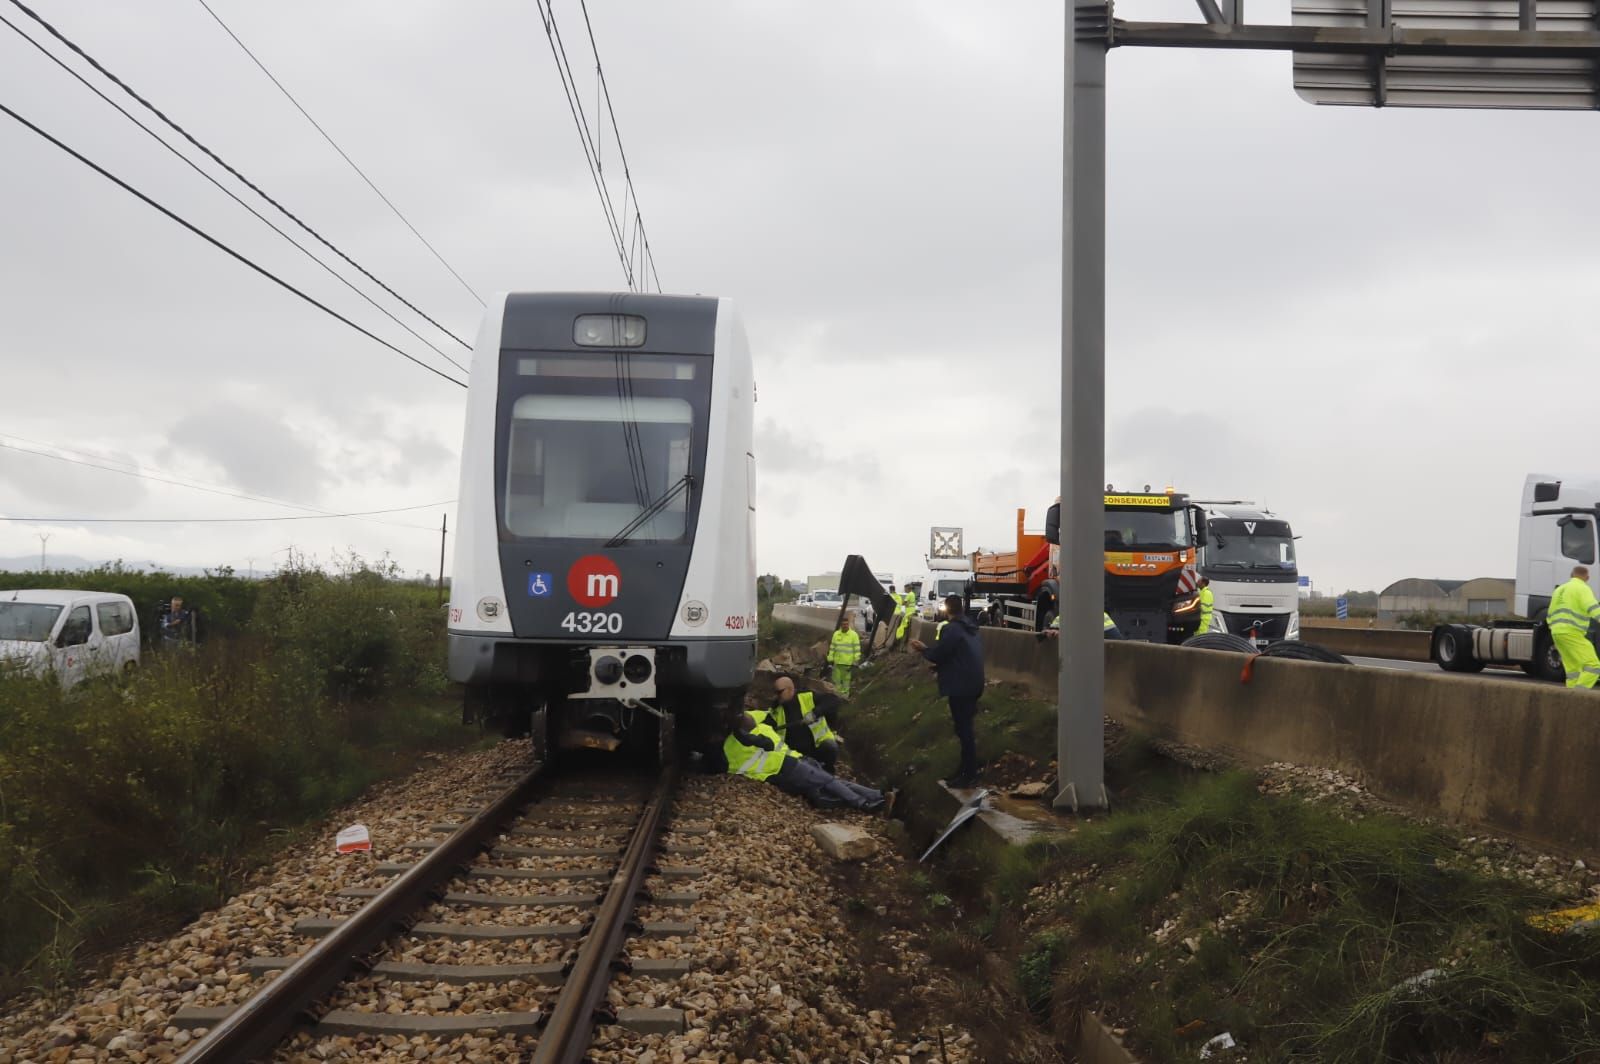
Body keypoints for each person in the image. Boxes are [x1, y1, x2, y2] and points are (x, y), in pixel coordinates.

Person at [723, 707, 884, 810]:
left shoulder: (754, 722)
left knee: (832, 781)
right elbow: (764, 744)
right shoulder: (736, 743)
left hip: (794, 760)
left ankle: (875, 794)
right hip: (784, 768)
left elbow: (760, 715)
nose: (749, 718)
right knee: (828, 783)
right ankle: (863, 803)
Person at [910, 594, 985, 788]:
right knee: (964, 728)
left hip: (961, 687)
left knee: (964, 730)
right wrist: (942, 667)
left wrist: (923, 649)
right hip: (974, 684)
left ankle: (969, 775)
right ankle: (964, 770)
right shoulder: (971, 628)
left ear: (947, 609)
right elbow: (960, 656)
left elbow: (939, 654)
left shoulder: (951, 629)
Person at [771, 674, 842, 772]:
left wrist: (815, 713)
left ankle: (828, 770)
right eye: (775, 692)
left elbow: (833, 700)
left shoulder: (807, 696)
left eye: (779, 692)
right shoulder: (776, 709)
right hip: (794, 753)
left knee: (830, 746)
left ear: (790, 689)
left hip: (817, 746)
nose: (776, 696)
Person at [1548, 566, 1600, 689]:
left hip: (1557, 633)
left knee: (1573, 671)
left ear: (1572, 574)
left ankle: (1569, 699)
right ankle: (1578, 697)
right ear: (1587, 578)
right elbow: (1593, 608)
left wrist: (1554, 628)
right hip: (1572, 632)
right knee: (1593, 665)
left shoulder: (1559, 589)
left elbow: (1550, 613)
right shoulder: (1582, 588)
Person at [826, 614, 861, 697]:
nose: (845, 626)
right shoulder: (836, 634)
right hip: (837, 662)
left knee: (845, 680)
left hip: (847, 662)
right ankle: (838, 695)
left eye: (846, 624)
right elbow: (832, 647)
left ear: (848, 624)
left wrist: (856, 660)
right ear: (841, 625)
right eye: (843, 624)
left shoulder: (853, 635)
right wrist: (830, 657)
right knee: (837, 680)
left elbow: (857, 649)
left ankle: (845, 695)